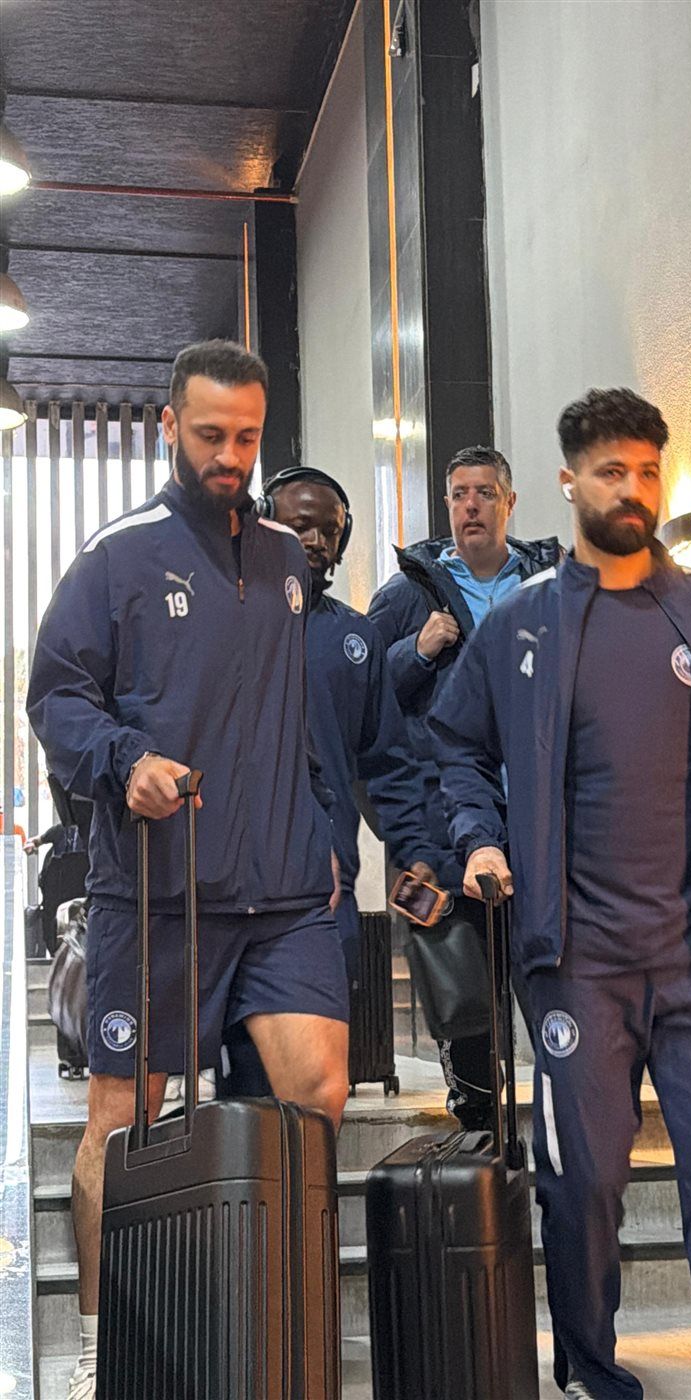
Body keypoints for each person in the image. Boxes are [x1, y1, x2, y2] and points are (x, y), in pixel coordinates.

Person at [429, 387, 691, 1400]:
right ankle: (590, 1361)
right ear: (567, 481)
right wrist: (478, 836)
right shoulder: (525, 624)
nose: (630, 489)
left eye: (645, 471)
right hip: (576, 963)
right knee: (584, 1186)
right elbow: (454, 745)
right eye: (609, 472)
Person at [27, 340, 350, 1400]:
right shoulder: (117, 556)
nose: (230, 456)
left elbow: (293, 714)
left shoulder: (287, 559)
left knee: (318, 1092)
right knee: (123, 1122)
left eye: (246, 437)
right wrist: (125, 761)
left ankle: (282, 1327)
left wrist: (321, 831)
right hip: (158, 888)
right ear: (170, 426)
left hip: (283, 890)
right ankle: (100, 1340)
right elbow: (55, 694)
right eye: (210, 434)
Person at [219, 466, 438, 1095]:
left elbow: (388, 764)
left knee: (317, 1087)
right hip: (233, 890)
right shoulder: (224, 622)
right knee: (247, 1089)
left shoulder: (357, 641)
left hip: (327, 890)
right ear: (265, 523)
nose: (316, 541)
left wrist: (415, 850)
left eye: (330, 531)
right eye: (301, 525)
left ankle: (307, 1165)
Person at [368, 445, 561, 1129]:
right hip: (447, 826)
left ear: (509, 502)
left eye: (483, 492)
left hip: (546, 826)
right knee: (467, 998)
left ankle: (568, 1132)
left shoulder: (550, 586)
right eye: (458, 494)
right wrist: (416, 651)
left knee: (558, 990)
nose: (470, 506)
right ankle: (479, 1127)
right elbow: (364, 698)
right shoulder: (408, 594)